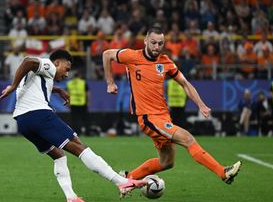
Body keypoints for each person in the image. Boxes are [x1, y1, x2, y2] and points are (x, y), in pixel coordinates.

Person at [0, 49, 146, 202]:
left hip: (23, 121)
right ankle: (121, 182)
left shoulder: (39, 76)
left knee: (59, 155)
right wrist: (13, 86)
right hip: (39, 114)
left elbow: (32, 80)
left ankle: (71, 197)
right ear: (57, 63)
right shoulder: (48, 65)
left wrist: (58, 90)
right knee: (77, 144)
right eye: (66, 69)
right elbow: (28, 61)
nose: (67, 74)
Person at [102, 27, 241, 185]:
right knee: (188, 138)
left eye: (160, 43)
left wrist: (201, 105)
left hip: (163, 116)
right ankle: (223, 172)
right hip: (148, 117)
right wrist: (110, 82)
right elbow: (107, 54)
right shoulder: (132, 56)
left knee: (167, 162)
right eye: (153, 42)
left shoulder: (165, 62)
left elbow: (185, 83)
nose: (156, 47)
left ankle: (128, 179)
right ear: (146, 41)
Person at [66, 70, 90, 135]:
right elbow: (87, 93)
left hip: (73, 104)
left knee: (75, 120)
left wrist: (68, 103)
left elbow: (67, 94)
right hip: (82, 103)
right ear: (80, 76)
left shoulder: (69, 83)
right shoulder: (83, 83)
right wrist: (88, 102)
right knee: (85, 119)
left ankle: (76, 133)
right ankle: (87, 132)